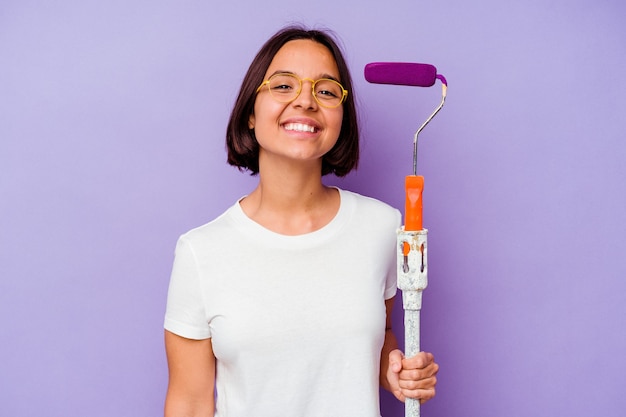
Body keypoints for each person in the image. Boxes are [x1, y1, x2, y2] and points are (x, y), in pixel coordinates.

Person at [163, 25, 439, 417]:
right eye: (283, 86)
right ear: (250, 115)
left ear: (341, 117)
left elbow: (378, 336)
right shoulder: (200, 252)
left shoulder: (382, 227)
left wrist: (395, 370)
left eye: (326, 90)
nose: (306, 101)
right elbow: (189, 403)